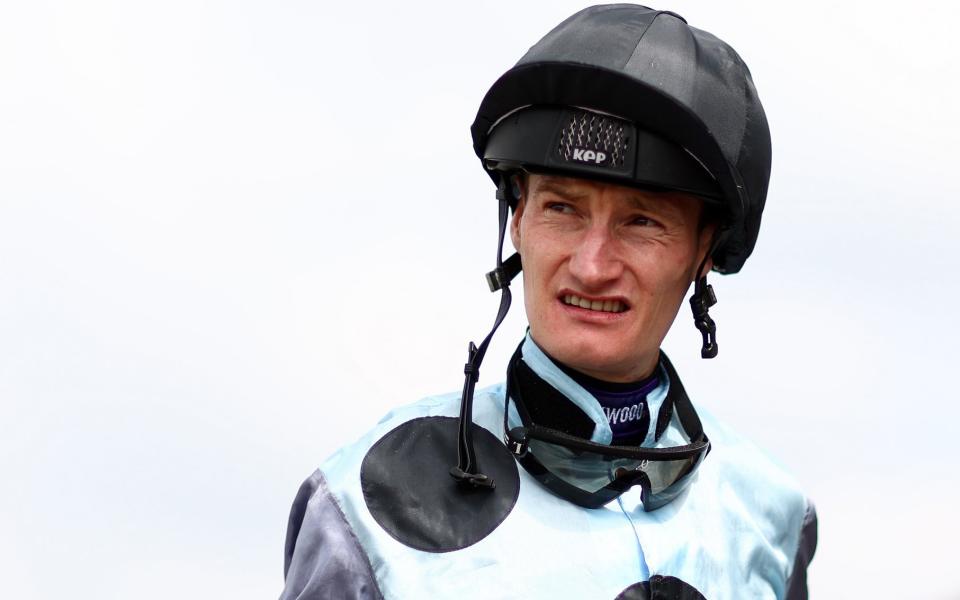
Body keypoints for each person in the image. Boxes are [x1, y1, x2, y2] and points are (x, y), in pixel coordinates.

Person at [279, 5, 817, 599]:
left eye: (642, 222)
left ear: (706, 250)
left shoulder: (773, 517)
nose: (591, 266)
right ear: (516, 219)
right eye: (562, 208)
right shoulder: (364, 504)